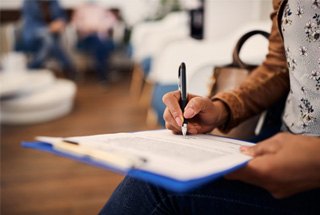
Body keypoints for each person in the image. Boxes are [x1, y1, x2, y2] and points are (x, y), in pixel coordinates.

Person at [100, 0, 320, 214]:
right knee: (158, 173)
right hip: (279, 142)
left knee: (156, 188)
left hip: (305, 168)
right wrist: (221, 107)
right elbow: (279, 66)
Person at [18, 0, 76, 79]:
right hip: (34, 34)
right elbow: (31, 22)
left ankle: (32, 68)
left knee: (49, 40)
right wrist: (49, 28)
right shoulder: (29, 2)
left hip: (52, 35)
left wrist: (61, 22)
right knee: (49, 40)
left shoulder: (54, 2)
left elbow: (62, 16)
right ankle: (68, 67)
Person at [72, 1, 119, 82]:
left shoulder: (101, 9)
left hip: (101, 38)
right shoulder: (81, 9)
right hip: (86, 39)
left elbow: (112, 20)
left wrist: (100, 26)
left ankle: (103, 75)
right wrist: (88, 27)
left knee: (100, 44)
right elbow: (75, 24)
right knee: (99, 43)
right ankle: (104, 75)